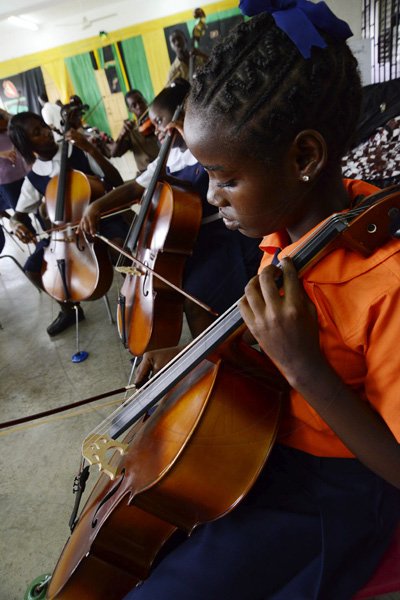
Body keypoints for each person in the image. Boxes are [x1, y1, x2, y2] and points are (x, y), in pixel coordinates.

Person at [118, 2, 400, 599]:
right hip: (265, 442)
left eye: (225, 178)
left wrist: (302, 365)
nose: (212, 196)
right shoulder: (286, 229)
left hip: (334, 491)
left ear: (303, 159)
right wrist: (197, 356)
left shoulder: (385, 284)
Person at [79, 79, 262, 338]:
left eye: (158, 121)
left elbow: (223, 175)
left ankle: (215, 356)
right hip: (190, 242)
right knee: (178, 289)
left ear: (184, 116)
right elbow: (135, 188)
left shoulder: (209, 144)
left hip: (225, 236)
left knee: (195, 296)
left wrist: (188, 135)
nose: (155, 129)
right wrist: (97, 206)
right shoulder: (169, 155)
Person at [8, 111, 126, 336]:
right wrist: (16, 226)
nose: (46, 132)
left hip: (102, 219)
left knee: (119, 247)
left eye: (43, 126)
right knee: (32, 269)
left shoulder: (78, 150)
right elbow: (18, 216)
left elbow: (116, 180)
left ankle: (133, 299)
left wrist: (91, 149)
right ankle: (69, 310)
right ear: (26, 145)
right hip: (65, 236)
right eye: (36, 133)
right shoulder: (34, 176)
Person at [107, 89, 159, 175]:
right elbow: (114, 153)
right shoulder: (131, 130)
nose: (139, 106)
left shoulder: (158, 119)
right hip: (148, 173)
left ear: (145, 101)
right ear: (130, 110)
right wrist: (121, 135)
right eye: (134, 105)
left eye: (140, 101)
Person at [0, 108, 29, 215]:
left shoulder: (7, 126)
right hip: (6, 180)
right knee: (21, 213)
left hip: (22, 172)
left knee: (37, 209)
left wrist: (4, 112)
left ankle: (48, 231)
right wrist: (2, 153)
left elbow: (16, 120)